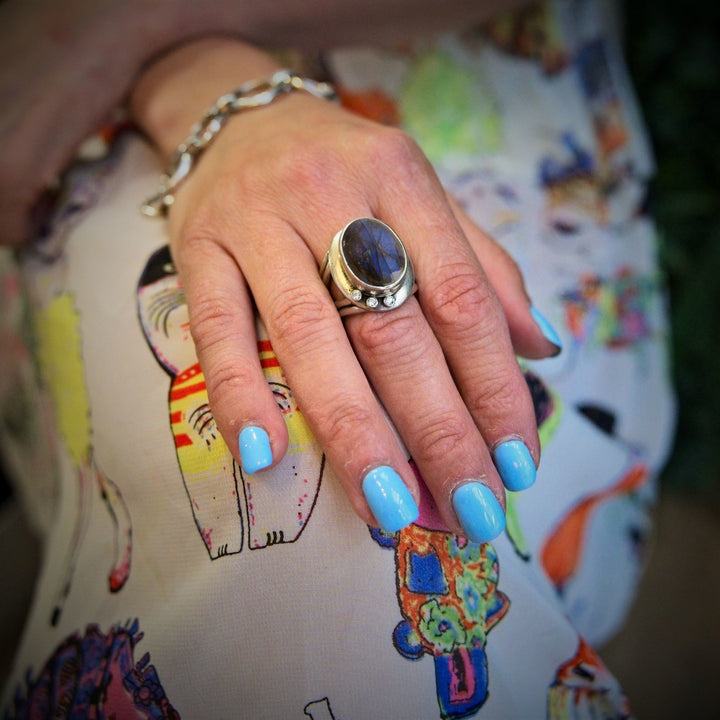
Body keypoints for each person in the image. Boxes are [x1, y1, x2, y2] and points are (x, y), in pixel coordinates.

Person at [0, 0, 675, 717]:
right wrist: (178, 76)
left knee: (381, 516)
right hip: (76, 99)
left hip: (456, 69)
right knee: (294, 511)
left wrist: (142, 26)